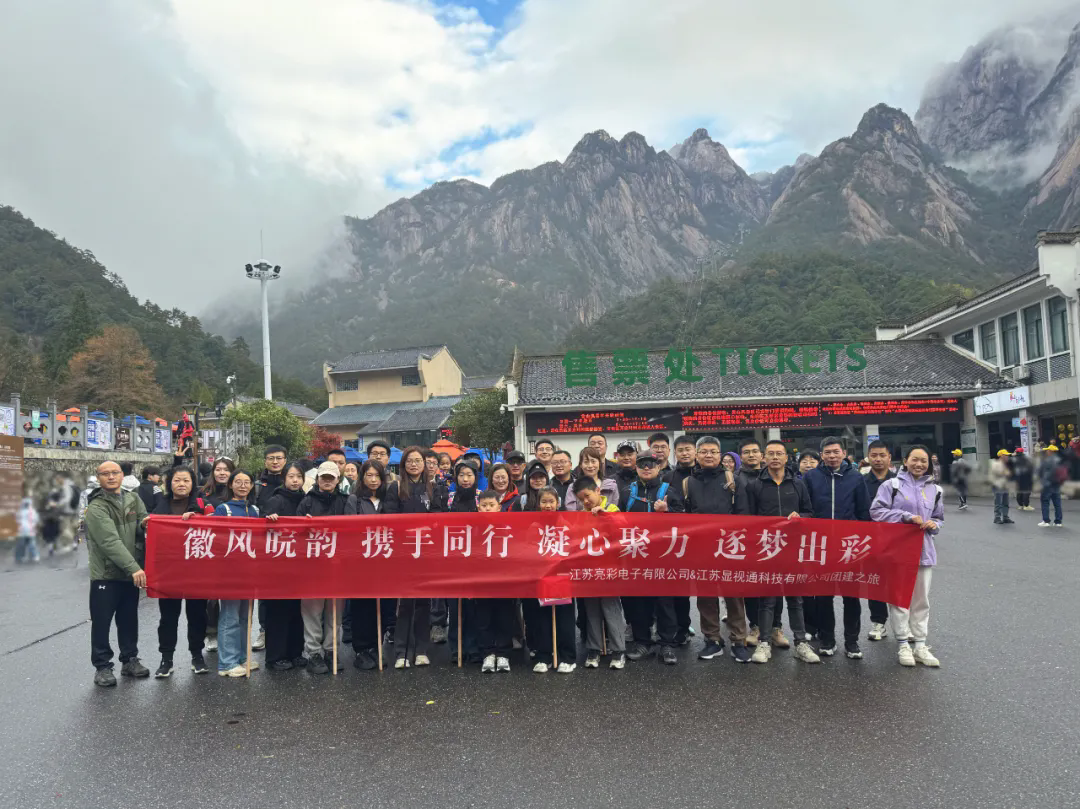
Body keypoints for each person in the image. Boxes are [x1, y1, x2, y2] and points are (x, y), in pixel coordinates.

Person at [667, 436, 752, 663]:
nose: (708, 455)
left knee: (734, 596)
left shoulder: (732, 479)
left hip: (729, 546)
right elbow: (684, 516)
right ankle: (712, 639)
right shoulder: (688, 483)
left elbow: (743, 513)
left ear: (720, 455)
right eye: (704, 451)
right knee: (706, 596)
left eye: (713, 452)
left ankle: (738, 640)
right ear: (697, 455)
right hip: (701, 547)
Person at [744, 440, 821, 664]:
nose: (775, 457)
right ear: (764, 458)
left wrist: (800, 517)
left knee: (795, 598)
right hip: (767, 548)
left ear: (787, 458)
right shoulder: (755, 486)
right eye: (771, 454)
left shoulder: (797, 484)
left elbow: (809, 512)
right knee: (767, 599)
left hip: (793, 548)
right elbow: (747, 518)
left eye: (779, 454)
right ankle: (764, 643)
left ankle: (800, 643)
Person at [869, 445, 944, 668]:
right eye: (915, 459)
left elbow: (939, 517)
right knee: (900, 599)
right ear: (905, 461)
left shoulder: (936, 490)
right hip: (898, 551)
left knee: (921, 600)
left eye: (923, 461)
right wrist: (905, 517)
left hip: (924, 551)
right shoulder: (891, 486)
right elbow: (876, 512)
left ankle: (920, 645)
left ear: (929, 464)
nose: (919, 464)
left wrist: (934, 524)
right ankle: (903, 644)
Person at [803, 437, 871, 659]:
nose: (832, 456)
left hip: (848, 546)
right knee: (823, 596)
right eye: (827, 452)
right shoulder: (811, 477)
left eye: (835, 452)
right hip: (821, 546)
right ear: (821, 455)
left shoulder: (855, 477)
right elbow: (806, 509)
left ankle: (852, 642)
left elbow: (864, 511)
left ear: (843, 453)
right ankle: (827, 639)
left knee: (851, 596)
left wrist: (862, 538)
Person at [85, 461, 150, 687]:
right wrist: (134, 567)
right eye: (105, 474)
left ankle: (130, 659)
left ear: (122, 475)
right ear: (98, 478)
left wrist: (147, 525)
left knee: (128, 618)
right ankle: (102, 666)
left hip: (130, 573)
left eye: (115, 473)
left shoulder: (133, 498)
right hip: (106, 574)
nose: (111, 477)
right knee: (102, 622)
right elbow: (109, 542)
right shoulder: (96, 507)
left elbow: (142, 523)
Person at [385, 447, 446, 668]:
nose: (414, 464)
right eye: (409, 461)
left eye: (418, 460)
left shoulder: (433, 487)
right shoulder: (395, 487)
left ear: (425, 463)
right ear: (403, 464)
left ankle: (421, 650)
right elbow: (390, 516)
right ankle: (401, 652)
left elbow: (438, 514)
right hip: (404, 551)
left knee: (423, 602)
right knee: (405, 603)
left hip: (425, 550)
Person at [151, 466, 210, 678]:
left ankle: (197, 655)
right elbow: (147, 529)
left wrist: (199, 518)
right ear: (170, 483)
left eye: (186, 480)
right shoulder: (159, 504)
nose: (182, 484)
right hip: (169, 570)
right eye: (177, 480)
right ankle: (166, 658)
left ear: (193, 483)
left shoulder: (202, 505)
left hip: (197, 570)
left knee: (197, 615)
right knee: (168, 617)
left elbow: (216, 528)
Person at [619, 453, 677, 664]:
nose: (646, 468)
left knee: (664, 602)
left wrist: (668, 511)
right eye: (642, 465)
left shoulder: (669, 491)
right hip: (636, 557)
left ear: (659, 467)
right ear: (636, 468)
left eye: (651, 465)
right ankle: (642, 641)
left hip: (663, 557)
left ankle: (667, 644)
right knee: (638, 603)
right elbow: (617, 521)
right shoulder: (627, 493)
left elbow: (686, 521)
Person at [296, 461, 349, 674]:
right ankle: (313, 653)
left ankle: (331, 650)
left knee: (335, 613)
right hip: (312, 567)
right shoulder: (306, 502)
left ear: (338, 480)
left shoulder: (346, 501)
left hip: (338, 566)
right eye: (323, 477)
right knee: (312, 612)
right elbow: (296, 533)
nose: (327, 481)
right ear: (317, 479)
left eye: (331, 478)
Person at [573, 476, 626, 670]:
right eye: (581, 499)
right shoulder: (581, 515)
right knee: (591, 610)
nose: (586, 501)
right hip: (588, 569)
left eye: (587, 496)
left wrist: (605, 516)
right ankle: (594, 649)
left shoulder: (612, 509)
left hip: (610, 569)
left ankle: (618, 650)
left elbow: (624, 530)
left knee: (611, 608)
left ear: (597, 490)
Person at [522, 486, 577, 674]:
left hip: (562, 578)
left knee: (564, 618)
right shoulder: (534, 526)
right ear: (538, 504)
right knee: (542, 618)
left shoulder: (566, 525)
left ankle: (567, 657)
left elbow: (573, 549)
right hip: (542, 578)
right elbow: (529, 551)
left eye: (551, 501)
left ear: (558, 503)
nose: (548, 505)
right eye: (544, 502)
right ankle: (544, 656)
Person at [212, 470, 261, 678]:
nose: (243, 486)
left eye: (247, 482)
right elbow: (215, 538)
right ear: (231, 485)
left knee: (245, 616)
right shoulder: (223, 509)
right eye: (238, 482)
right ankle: (226, 663)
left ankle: (242, 657)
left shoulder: (255, 510)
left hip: (249, 571)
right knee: (229, 616)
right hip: (229, 571)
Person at [262, 462, 308, 672]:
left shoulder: (306, 500)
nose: (295, 480)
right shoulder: (275, 500)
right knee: (278, 611)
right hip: (277, 566)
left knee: (296, 611)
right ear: (284, 479)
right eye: (291, 476)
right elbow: (261, 529)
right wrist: (269, 520)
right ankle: (275, 656)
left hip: (299, 564)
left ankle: (295, 652)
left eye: (299, 476)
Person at [345, 459, 388, 671]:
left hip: (384, 560)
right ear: (362, 478)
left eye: (377, 476)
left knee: (381, 606)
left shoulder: (388, 500)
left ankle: (375, 646)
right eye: (369, 475)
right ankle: (361, 649)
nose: (373, 480)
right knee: (362, 606)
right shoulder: (354, 500)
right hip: (361, 561)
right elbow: (349, 528)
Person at [475, 490, 517, 673]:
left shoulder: (508, 525)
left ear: (499, 507)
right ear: (478, 508)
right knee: (484, 618)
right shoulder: (472, 527)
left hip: (504, 580)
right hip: (481, 580)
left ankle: (503, 653)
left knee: (505, 617)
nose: (487, 509)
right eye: (484, 506)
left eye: (491, 505)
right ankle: (487, 653)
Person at [862, 440, 896, 642]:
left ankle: (904, 624)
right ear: (868, 457)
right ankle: (878, 622)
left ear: (889, 457)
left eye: (882, 455)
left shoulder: (900, 482)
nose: (878, 459)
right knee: (875, 583)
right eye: (874, 455)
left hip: (896, 540)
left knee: (899, 582)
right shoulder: (861, 482)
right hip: (871, 540)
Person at [564, 447, 619, 511]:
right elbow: (571, 513)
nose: (590, 465)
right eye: (586, 462)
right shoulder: (573, 487)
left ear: (599, 463)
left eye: (593, 461)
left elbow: (614, 511)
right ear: (581, 465)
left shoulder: (612, 485)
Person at [1037, 445, 1065, 527]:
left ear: (1050, 451)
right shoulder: (1060, 460)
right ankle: (1058, 521)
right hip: (1056, 484)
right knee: (1057, 504)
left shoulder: (1046, 460)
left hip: (1047, 485)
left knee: (1045, 502)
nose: (1046, 452)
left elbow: (1040, 472)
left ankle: (1046, 521)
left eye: (1047, 450)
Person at [253, 444, 288, 512]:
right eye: (271, 458)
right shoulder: (257, 486)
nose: (275, 462)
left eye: (279, 458)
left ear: (285, 461)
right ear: (265, 461)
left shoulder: (291, 485)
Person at [990, 449, 1014, 525]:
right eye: (1006, 455)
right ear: (1001, 456)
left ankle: (1005, 517)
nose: (1007, 456)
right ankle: (997, 518)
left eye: (1007, 455)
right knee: (998, 503)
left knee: (1005, 502)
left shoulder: (1006, 464)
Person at [14, 496, 40, 563]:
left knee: (22, 545)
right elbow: (36, 520)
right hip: (30, 530)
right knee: (31, 544)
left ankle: (20, 557)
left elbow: (17, 520)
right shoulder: (32, 511)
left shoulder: (20, 511)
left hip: (22, 530)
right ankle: (34, 556)